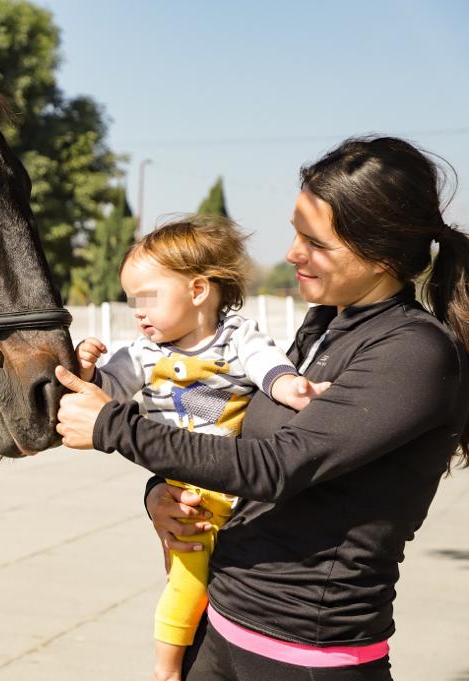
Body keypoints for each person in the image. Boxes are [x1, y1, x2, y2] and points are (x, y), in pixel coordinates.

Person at [55, 136, 469, 680]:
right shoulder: (323, 325)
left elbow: (278, 466)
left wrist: (114, 425)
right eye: (295, 233)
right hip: (223, 624)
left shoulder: (412, 352)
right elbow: (232, 433)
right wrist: (160, 493)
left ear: (381, 252)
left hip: (306, 655)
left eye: (313, 241)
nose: (293, 253)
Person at [74, 215, 328, 681]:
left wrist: (288, 385)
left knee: (199, 583)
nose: (139, 313)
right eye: (134, 303)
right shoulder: (141, 353)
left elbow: (265, 362)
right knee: (187, 580)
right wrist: (90, 372)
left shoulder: (236, 336)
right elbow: (108, 391)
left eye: (147, 299)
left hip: (229, 480)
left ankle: (179, 661)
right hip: (185, 488)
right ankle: (171, 666)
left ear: (197, 292)